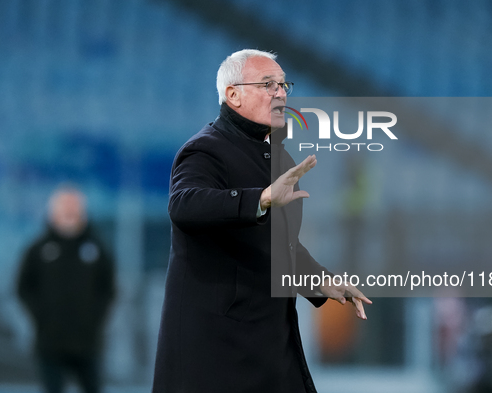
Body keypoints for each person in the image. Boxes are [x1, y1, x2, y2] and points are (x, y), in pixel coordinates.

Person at [152, 49, 371, 393]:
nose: (281, 93)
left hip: (270, 342)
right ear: (233, 95)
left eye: (284, 85)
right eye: (268, 84)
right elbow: (183, 205)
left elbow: (281, 245)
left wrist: (324, 283)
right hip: (219, 346)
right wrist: (262, 198)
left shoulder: (281, 159)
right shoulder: (205, 149)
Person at [17, 187, 116, 393]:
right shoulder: (38, 249)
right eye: (65, 207)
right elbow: (23, 287)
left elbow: (108, 288)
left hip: (87, 341)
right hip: (50, 341)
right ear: (53, 212)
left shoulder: (96, 248)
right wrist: (41, 316)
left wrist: (94, 317)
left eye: (75, 207)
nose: (70, 212)